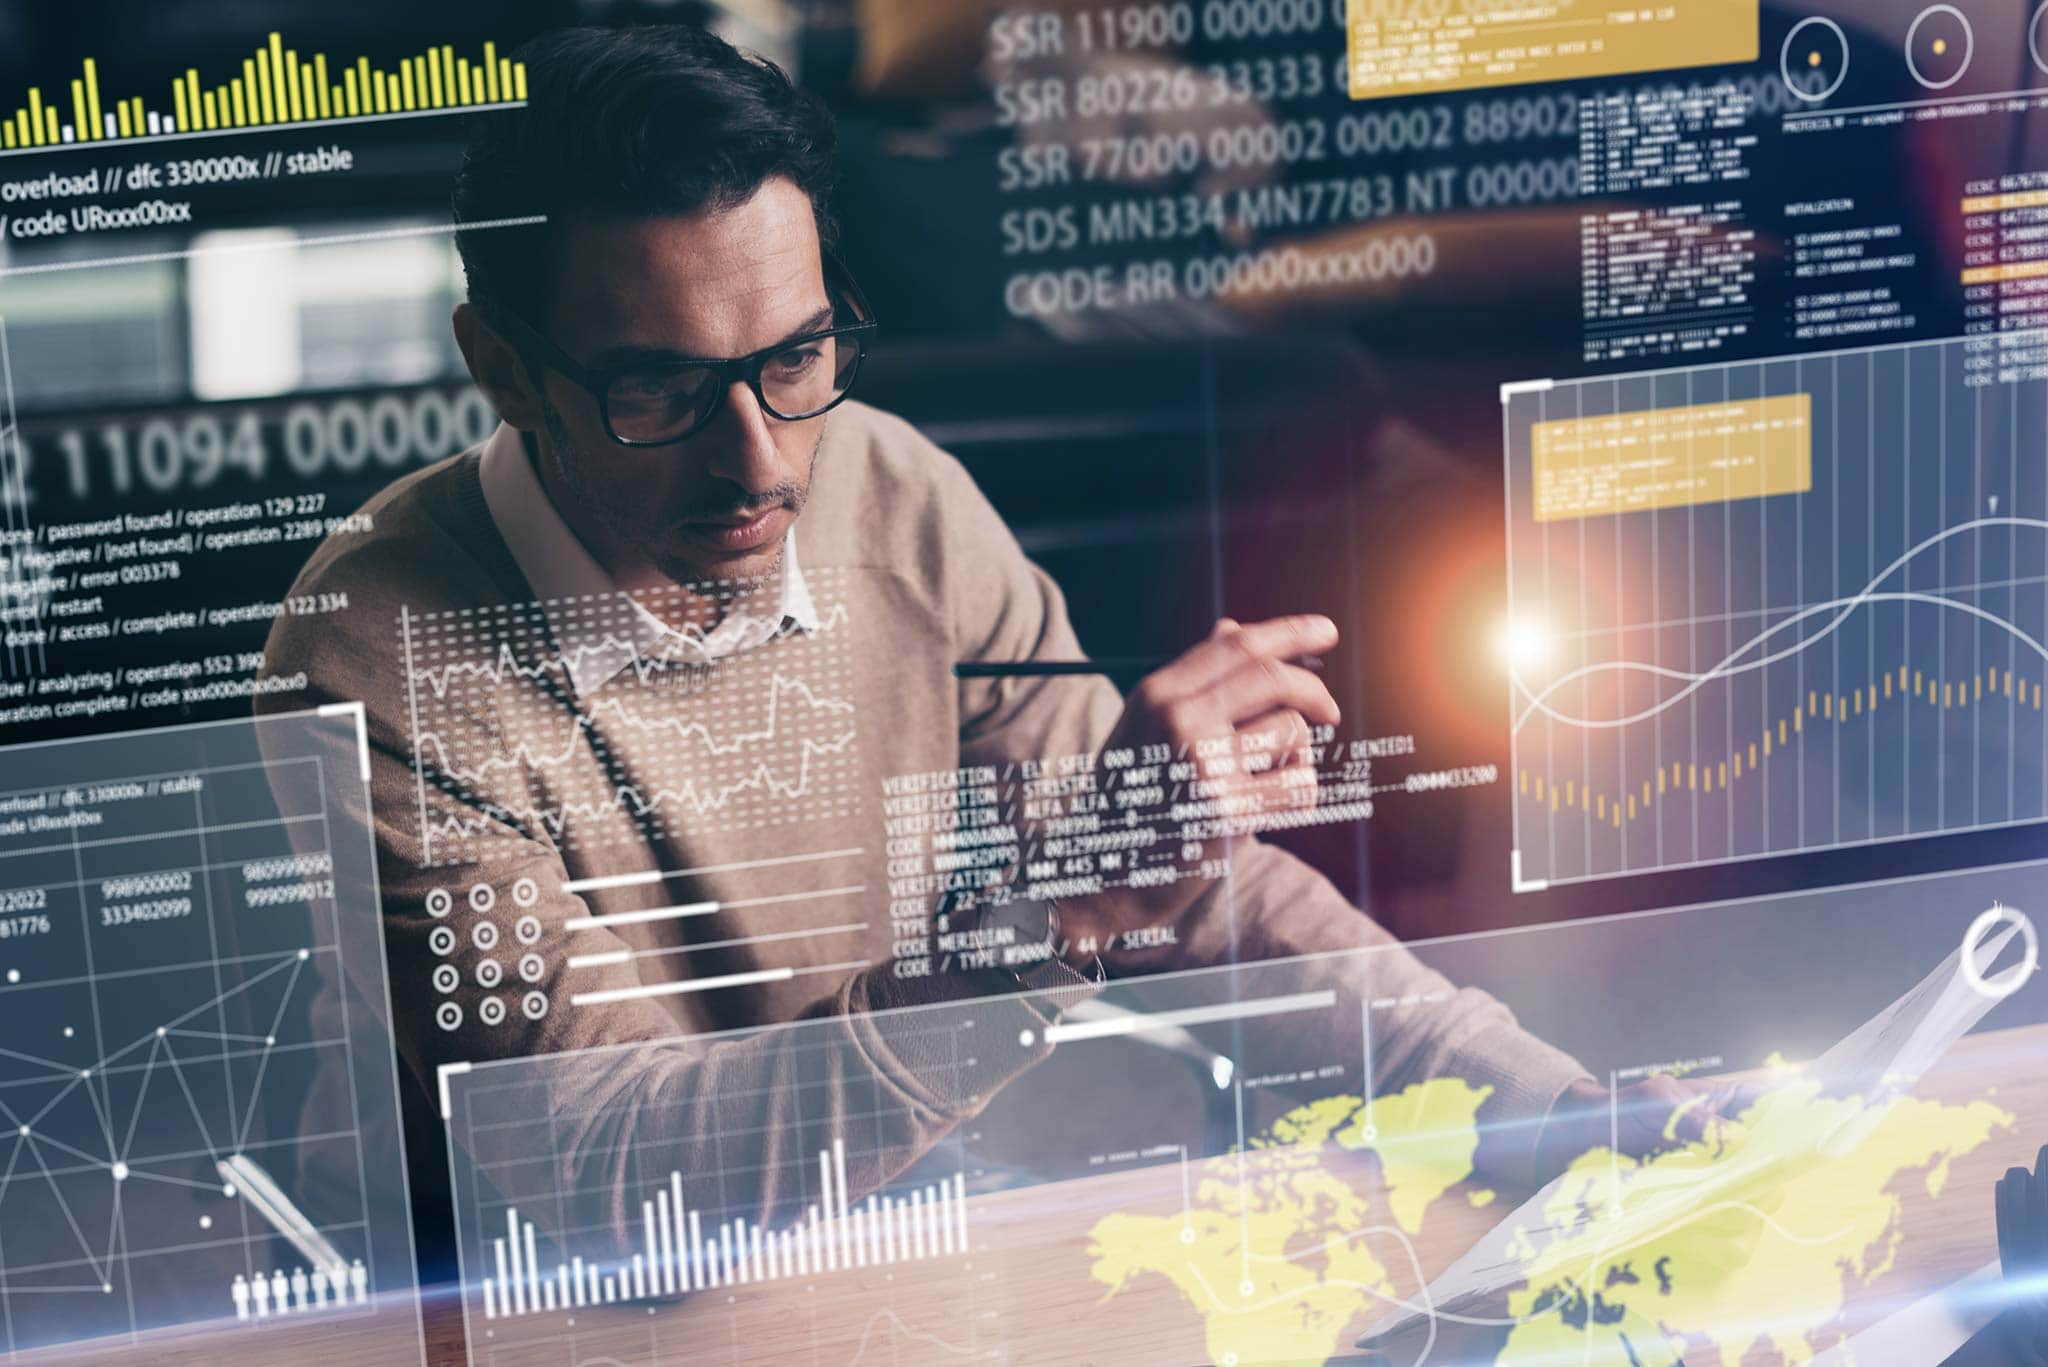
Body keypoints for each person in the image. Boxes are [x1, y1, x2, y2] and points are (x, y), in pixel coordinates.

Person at [257, 22, 1706, 1261]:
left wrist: (1565, 1113)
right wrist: (1063, 910)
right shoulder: (371, 663)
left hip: (863, 1194)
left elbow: (1192, 889)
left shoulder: (890, 489)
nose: (759, 464)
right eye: (660, 390)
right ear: (500, 366)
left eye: (796, 357)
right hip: (494, 1284)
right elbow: (610, 1176)